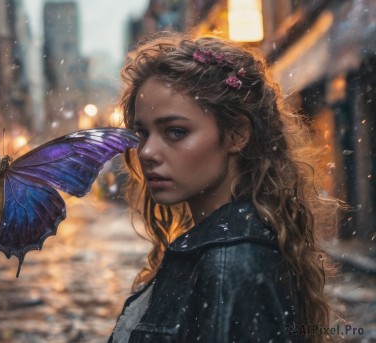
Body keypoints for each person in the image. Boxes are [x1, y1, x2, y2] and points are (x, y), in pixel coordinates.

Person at [109, 33, 338, 342]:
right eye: (142, 133)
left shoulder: (230, 263)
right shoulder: (221, 249)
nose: (147, 152)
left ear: (236, 135)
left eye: (175, 131)